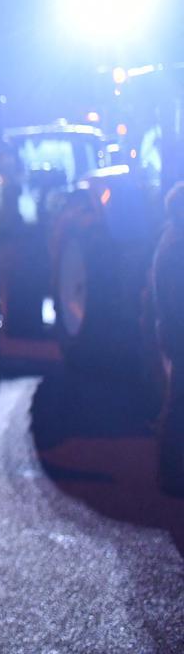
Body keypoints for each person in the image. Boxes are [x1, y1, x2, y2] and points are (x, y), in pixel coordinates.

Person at [153, 181, 184, 496]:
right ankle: (172, 475)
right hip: (179, 333)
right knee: (178, 405)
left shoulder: (171, 239)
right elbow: (178, 300)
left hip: (173, 332)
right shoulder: (176, 249)